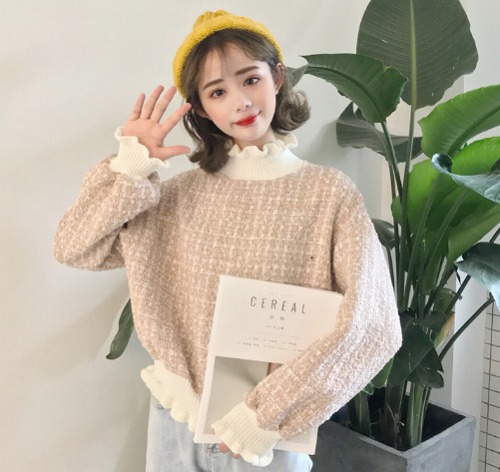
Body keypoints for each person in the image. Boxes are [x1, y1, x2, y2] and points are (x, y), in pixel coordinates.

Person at [54, 10, 402, 472]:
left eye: (250, 79)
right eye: (217, 91)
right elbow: (76, 247)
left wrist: (264, 418)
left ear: (277, 77)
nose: (240, 101)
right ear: (201, 108)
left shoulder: (328, 195)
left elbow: (375, 325)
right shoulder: (174, 197)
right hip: (176, 423)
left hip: (268, 438)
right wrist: (129, 169)